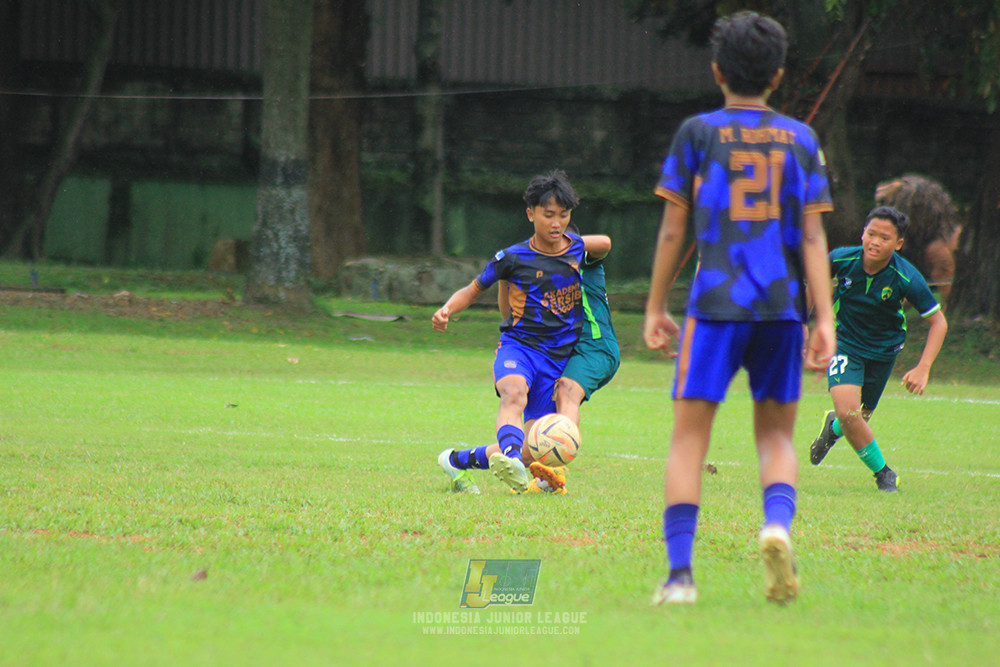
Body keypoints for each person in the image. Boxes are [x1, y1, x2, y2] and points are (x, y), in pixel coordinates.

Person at [643, 10, 836, 605]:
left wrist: (655, 304)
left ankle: (680, 578)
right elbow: (812, 237)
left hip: (715, 307)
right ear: (778, 75)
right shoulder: (802, 140)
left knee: (688, 441)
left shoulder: (697, 134)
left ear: (717, 69)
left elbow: (676, 227)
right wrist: (824, 317)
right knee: (777, 437)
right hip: (781, 310)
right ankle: (776, 524)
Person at [433, 170, 609, 494]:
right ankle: (511, 457)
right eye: (548, 215)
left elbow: (605, 244)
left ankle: (455, 460)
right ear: (531, 214)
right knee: (513, 395)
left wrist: (581, 244)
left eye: (564, 215)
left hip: (557, 360)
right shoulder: (512, 257)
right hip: (520, 348)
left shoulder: (575, 250)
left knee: (535, 450)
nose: (557, 224)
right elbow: (472, 290)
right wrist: (447, 309)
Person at [809, 205, 948, 491]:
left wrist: (923, 368)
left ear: (897, 244)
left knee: (858, 419)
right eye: (871, 233)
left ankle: (832, 429)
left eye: (884, 238)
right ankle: (884, 474)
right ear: (863, 233)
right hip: (845, 343)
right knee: (850, 414)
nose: (874, 241)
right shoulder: (841, 258)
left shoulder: (906, 276)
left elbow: (939, 323)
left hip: (884, 351)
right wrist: (806, 320)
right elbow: (813, 280)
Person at [500, 222, 620, 496]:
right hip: (557, 353)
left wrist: (563, 247)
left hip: (595, 347)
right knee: (529, 441)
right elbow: (509, 313)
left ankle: (557, 469)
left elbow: (605, 243)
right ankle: (458, 460)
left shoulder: (583, 260)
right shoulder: (543, 276)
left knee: (566, 389)